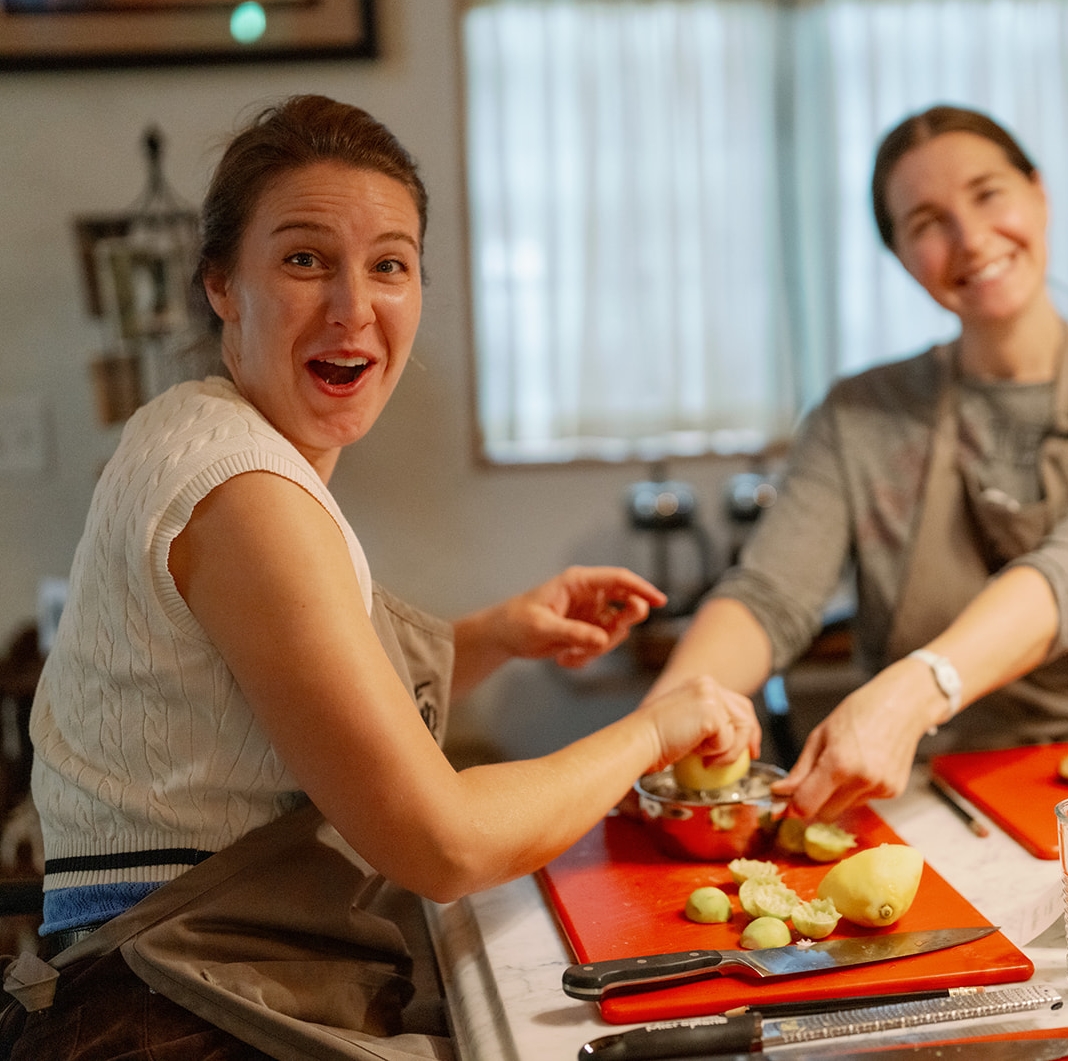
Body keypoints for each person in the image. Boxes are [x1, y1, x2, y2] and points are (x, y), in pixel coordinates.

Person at [0, 96, 760, 1060]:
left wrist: (497, 633)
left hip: (183, 979)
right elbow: (445, 844)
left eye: (389, 265)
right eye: (305, 259)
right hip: (168, 1009)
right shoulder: (242, 490)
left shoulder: (193, 427)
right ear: (222, 284)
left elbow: (296, 698)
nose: (353, 308)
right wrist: (656, 728)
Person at [647, 104, 1068, 824]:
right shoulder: (859, 414)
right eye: (927, 223)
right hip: (921, 803)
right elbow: (768, 596)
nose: (970, 238)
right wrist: (657, 727)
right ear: (900, 255)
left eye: (988, 193)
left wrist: (919, 686)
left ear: (1038, 192)